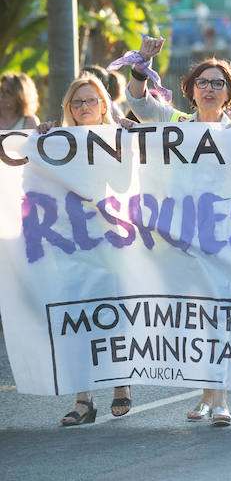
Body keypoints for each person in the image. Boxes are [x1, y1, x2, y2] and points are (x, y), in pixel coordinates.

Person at [124, 36, 231, 425]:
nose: (209, 89)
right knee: (196, 317)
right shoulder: (174, 124)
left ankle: (220, 398)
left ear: (228, 93)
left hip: (222, 236)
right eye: (203, 82)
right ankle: (207, 396)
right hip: (178, 239)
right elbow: (140, 102)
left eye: (217, 83)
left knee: (219, 314)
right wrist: (142, 64)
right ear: (190, 90)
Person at [37, 76, 134, 425]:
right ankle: (83, 400)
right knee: (77, 318)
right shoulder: (57, 142)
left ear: (104, 105)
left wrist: (126, 145)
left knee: (112, 314)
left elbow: (125, 184)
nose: (84, 108)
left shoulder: (117, 138)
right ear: (69, 108)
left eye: (91, 101)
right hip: (70, 243)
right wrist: (41, 137)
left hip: (109, 241)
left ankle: (120, 385)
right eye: (77, 103)